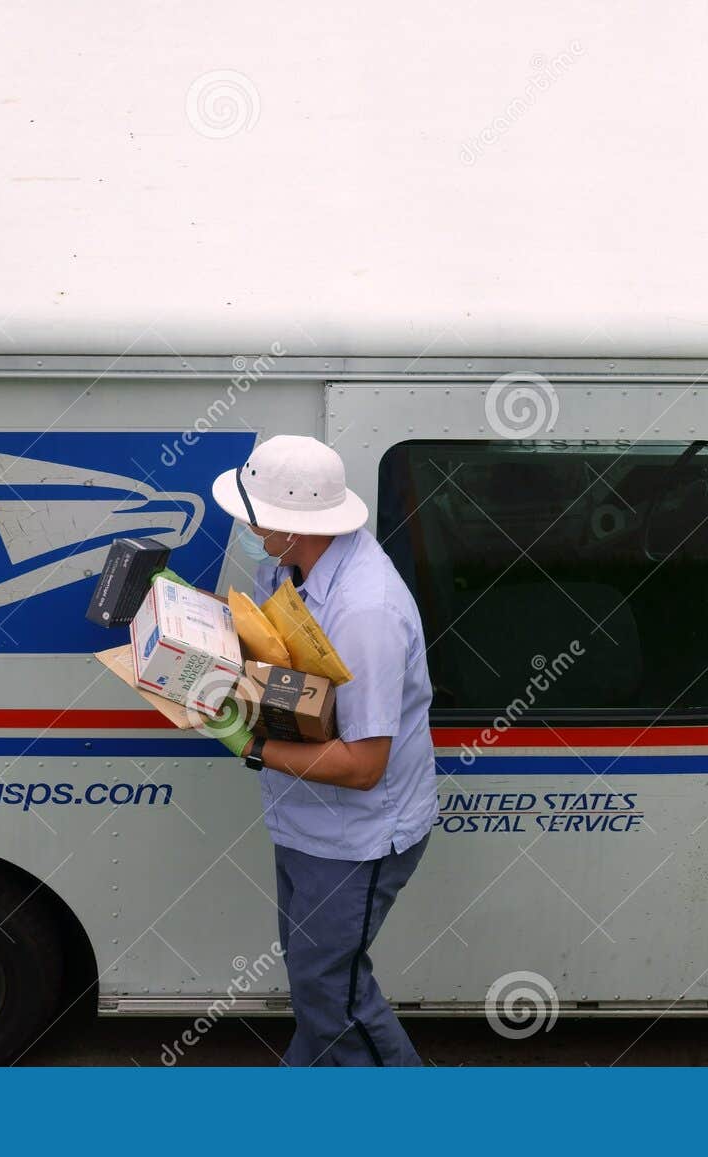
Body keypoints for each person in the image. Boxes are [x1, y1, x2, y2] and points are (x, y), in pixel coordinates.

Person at [207, 433, 438, 1067]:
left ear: (285, 522)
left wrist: (249, 745)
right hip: (306, 822)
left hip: (355, 838)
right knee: (316, 983)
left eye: (250, 516)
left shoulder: (366, 612)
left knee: (333, 996)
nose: (244, 526)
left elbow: (363, 767)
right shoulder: (287, 566)